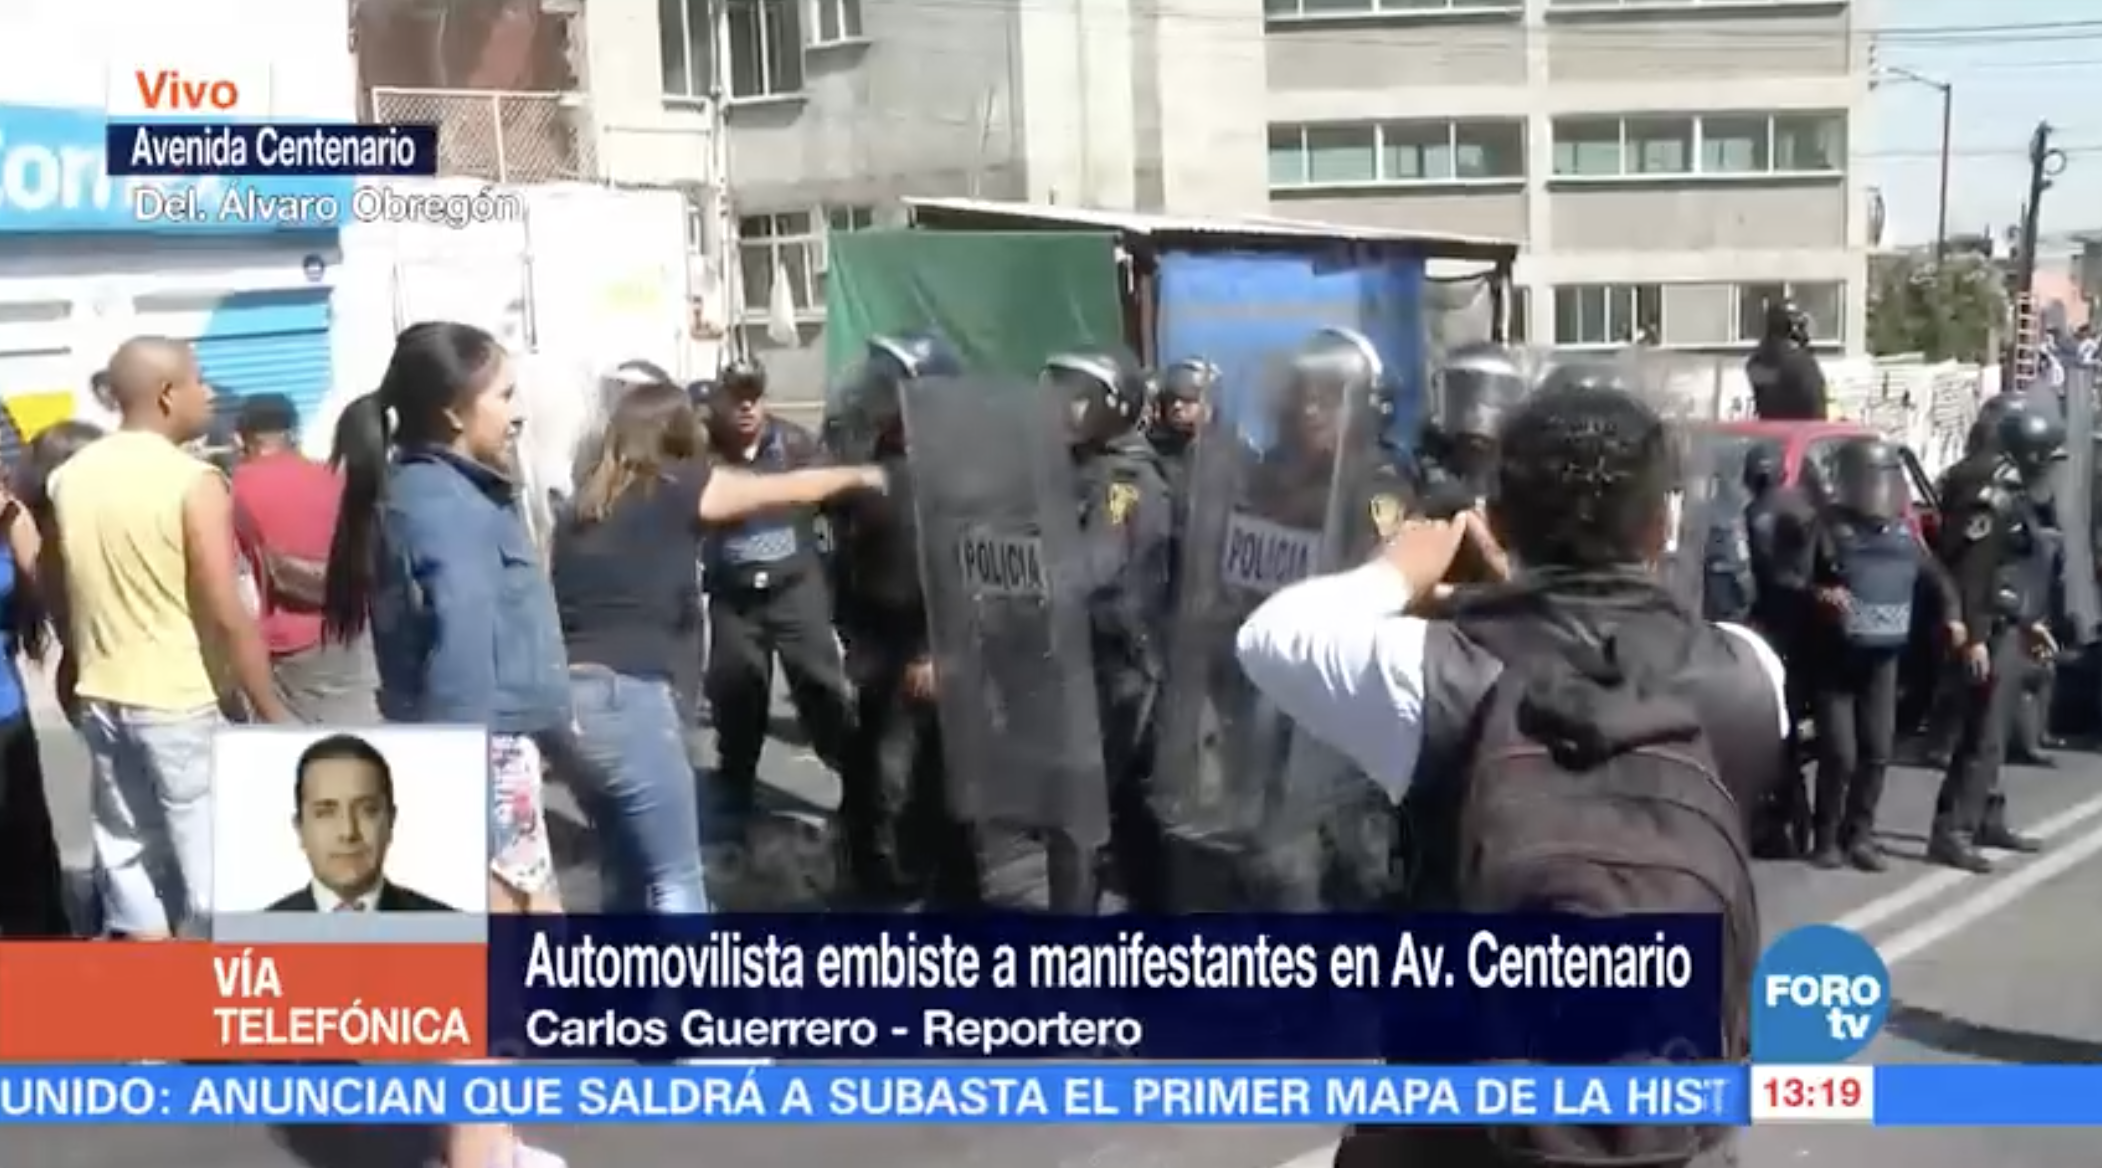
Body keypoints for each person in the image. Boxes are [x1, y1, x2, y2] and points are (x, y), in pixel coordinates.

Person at [1238, 370, 1785, 1168]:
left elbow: (1271, 636)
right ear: (1665, 523)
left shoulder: (1434, 673)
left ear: (1493, 519)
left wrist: (1402, 568)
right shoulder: (1750, 677)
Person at [321, 320, 570, 1168]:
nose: (517, 412)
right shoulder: (446, 505)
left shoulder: (436, 490)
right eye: (503, 396)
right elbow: (462, 638)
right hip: (478, 751)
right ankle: (477, 1153)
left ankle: (495, 1142)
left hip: (484, 747)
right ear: (455, 412)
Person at [551, 376, 884, 914]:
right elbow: (783, 489)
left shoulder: (582, 506)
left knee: (625, 866)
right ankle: (692, 993)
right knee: (677, 879)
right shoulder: (676, 486)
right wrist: (864, 473)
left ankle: (621, 988)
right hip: (631, 698)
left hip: (570, 705)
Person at [46, 338, 290, 941]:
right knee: (209, 862)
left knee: (127, 851)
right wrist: (271, 709)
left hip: (100, 696)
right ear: (165, 394)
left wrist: (76, 662)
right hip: (179, 699)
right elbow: (226, 610)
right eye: (199, 381)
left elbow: (55, 584)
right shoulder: (193, 479)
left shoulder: (69, 477)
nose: (209, 394)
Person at [829, 332, 978, 905]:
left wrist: (936, 652)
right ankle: (878, 892)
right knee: (872, 777)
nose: (874, 399)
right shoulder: (873, 463)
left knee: (920, 787)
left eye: (888, 388)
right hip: (877, 645)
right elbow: (847, 554)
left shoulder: (958, 477)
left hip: (928, 649)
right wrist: (848, 631)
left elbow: (963, 573)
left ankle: (937, 909)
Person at [1040, 350, 1176, 912]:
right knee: (1130, 813)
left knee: (1078, 810)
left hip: (1121, 668)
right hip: (1093, 659)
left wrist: (1023, 579)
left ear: (1114, 408)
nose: (1064, 408)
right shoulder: (1079, 466)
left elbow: (1096, 561)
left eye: (1079, 397)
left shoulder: (1126, 481)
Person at [697, 357, 856, 822]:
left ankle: (858, 794)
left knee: (823, 692)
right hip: (734, 597)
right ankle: (736, 796)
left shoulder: (797, 445)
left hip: (795, 590)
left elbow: (839, 507)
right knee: (736, 696)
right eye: (736, 399)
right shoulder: (702, 451)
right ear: (720, 402)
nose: (746, 409)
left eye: (755, 398)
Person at [1803, 437, 1961, 872]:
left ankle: (1861, 836)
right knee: (1840, 754)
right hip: (1836, 661)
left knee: (1877, 751)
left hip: (1883, 661)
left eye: (1887, 480)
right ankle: (1826, 837)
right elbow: (1793, 583)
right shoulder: (1828, 529)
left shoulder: (1902, 536)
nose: (1880, 490)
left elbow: (1939, 580)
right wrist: (1821, 593)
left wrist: (1953, 616)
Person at [1926, 403, 2062, 872]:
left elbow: (2008, 567)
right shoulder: (1990, 492)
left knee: (1994, 734)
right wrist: (1976, 638)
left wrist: (2027, 621)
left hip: (2003, 622)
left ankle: (1986, 816)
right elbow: (1971, 571)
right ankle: (1953, 831)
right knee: (1979, 734)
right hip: (1981, 629)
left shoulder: (2010, 485)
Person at [228, 393, 379, 725]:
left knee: (305, 745)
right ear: (292, 431)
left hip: (290, 643)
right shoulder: (333, 476)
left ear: (241, 437)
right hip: (351, 625)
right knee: (362, 728)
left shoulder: (235, 488)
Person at [0, 424, 92, 938]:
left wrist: (15, 519)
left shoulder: (8, 522)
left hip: (8, 717)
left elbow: (49, 595)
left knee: (27, 867)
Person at [266, 733, 455, 912]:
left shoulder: (454, 933)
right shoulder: (255, 937)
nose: (348, 831)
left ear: (391, 822)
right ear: (300, 829)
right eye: (325, 813)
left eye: (368, 811)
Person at [1740, 441, 1819, 858]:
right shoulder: (1803, 507)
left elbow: (1748, 577)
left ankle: (1781, 819)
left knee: (1776, 728)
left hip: (1773, 628)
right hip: (1804, 629)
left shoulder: (1753, 516)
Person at [1745, 299, 1828, 421]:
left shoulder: (1756, 361)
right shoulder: (1801, 363)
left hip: (1771, 432)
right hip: (1803, 431)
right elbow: (1814, 403)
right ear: (1791, 326)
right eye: (1800, 324)